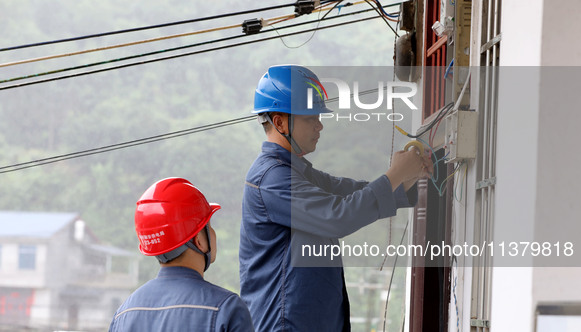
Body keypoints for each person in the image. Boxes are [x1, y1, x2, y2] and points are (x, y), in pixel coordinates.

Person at [239, 65, 433, 331]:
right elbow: (338, 216)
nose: (319, 125)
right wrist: (395, 174)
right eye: (310, 118)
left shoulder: (296, 172)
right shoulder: (271, 179)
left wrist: (406, 178)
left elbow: (346, 191)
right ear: (280, 122)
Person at [110, 177, 254, 332]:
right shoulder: (227, 309)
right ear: (199, 239)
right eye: (208, 226)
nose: (213, 233)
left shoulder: (124, 313)